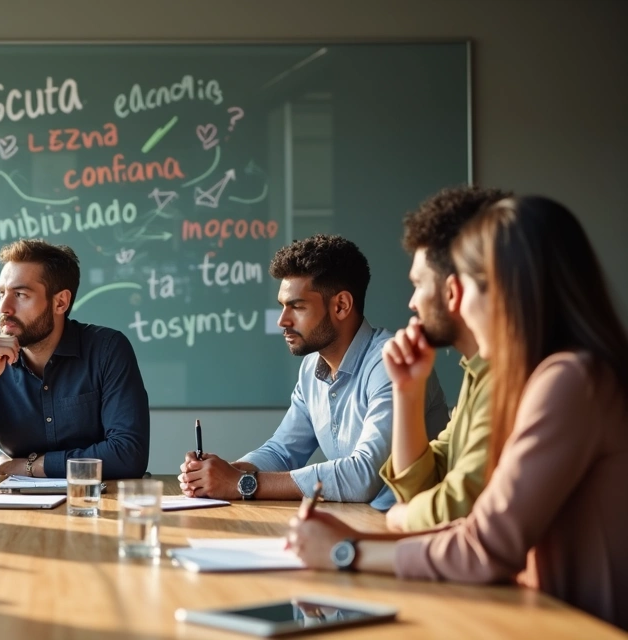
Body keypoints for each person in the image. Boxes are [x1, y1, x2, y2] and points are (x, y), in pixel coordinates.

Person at [287, 196, 628, 631]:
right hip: (523, 615)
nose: (453, 297)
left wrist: (347, 550)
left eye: (463, 283)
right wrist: (408, 394)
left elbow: (484, 542)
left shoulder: (569, 381)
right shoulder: (514, 377)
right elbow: (433, 496)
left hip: (566, 625)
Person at [179, 234, 449, 509]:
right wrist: (221, 473)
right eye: (282, 306)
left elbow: (364, 476)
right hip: (361, 523)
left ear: (341, 306)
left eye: (297, 306)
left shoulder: (391, 362)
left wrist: (240, 484)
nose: (282, 321)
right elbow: (282, 452)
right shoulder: (312, 367)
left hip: (413, 531)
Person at [0, 239, 150, 480]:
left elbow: (129, 455)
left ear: (60, 302)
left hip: (96, 503)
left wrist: (29, 466)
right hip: (17, 509)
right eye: (2, 293)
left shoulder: (107, 350)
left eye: (21, 294)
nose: (4, 308)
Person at [379, 186, 510, 531]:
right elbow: (424, 485)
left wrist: (399, 519)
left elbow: (460, 505)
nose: (412, 303)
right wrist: (407, 391)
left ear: (451, 291)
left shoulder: (511, 379)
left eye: (418, 284)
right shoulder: (476, 373)